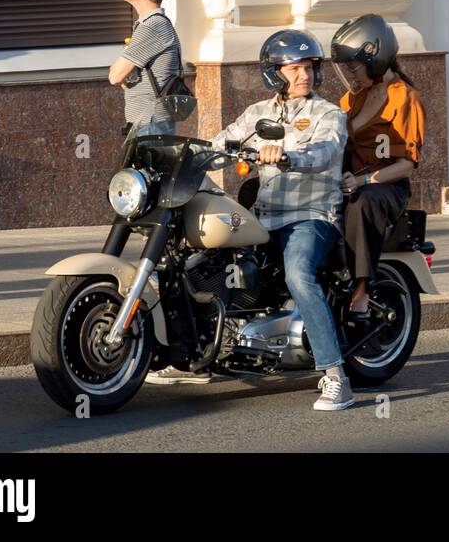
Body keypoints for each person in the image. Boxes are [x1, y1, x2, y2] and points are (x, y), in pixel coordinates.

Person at [147, 29, 354, 411]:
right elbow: (221, 141)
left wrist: (288, 156)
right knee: (195, 264)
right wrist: (187, 155)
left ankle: (335, 375)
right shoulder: (257, 113)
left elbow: (325, 151)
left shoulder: (328, 114)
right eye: (294, 68)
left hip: (310, 216)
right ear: (274, 72)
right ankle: (192, 359)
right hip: (263, 217)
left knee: (298, 275)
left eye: (308, 67)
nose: (303, 75)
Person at [330, 14, 425, 322]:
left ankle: (361, 289)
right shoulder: (352, 98)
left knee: (362, 203)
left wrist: (365, 181)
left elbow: (406, 165)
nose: (348, 73)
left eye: (353, 66)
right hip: (350, 180)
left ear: (375, 59)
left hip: (386, 187)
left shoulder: (405, 99)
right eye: (345, 66)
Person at [108, 0, 182, 135]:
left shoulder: (153, 26)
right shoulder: (154, 24)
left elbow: (115, 76)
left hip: (150, 123)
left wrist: (123, 74)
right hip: (150, 121)